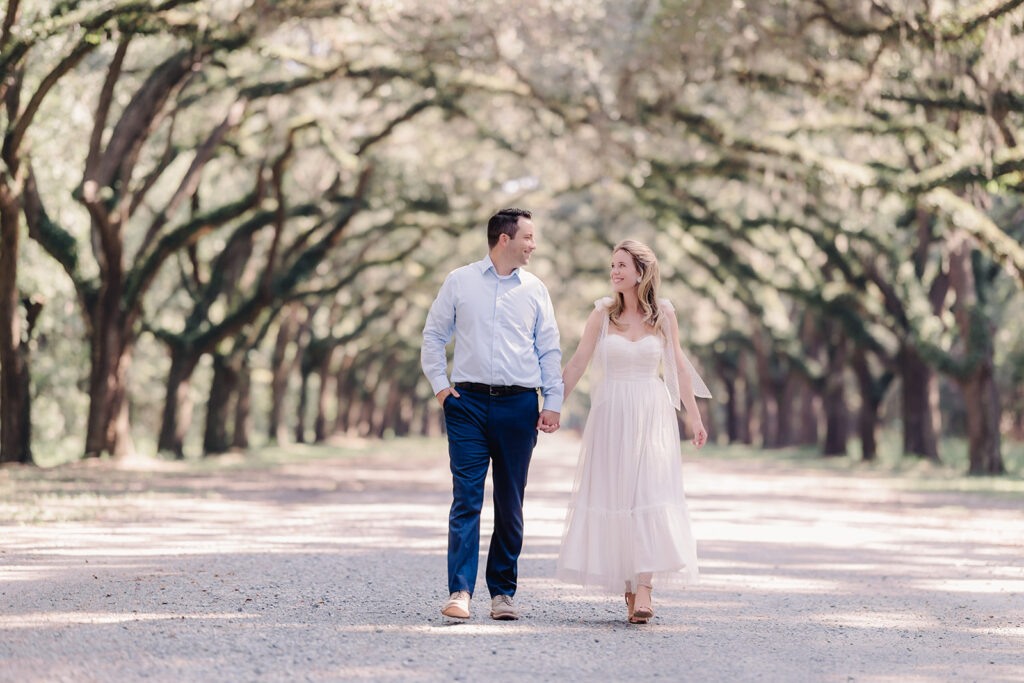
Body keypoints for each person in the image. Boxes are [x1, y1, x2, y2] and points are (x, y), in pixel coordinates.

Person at [555, 239, 711, 624]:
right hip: (611, 415)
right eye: (612, 265)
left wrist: (695, 417)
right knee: (618, 494)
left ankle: (645, 587)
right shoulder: (602, 314)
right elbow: (576, 364)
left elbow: (679, 369)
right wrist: (551, 405)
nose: (615, 272)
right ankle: (629, 585)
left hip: (652, 413)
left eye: (622, 265)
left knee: (648, 492)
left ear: (641, 272)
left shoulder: (664, 315)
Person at [421, 208, 563, 621]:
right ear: (504, 238)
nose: (533, 245)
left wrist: (552, 401)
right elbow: (433, 335)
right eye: (528, 237)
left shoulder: (536, 289)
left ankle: (502, 593)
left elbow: (549, 349)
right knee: (466, 497)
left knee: (510, 501)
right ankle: (460, 591)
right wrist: (442, 389)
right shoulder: (459, 281)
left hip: (519, 405)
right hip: (466, 405)